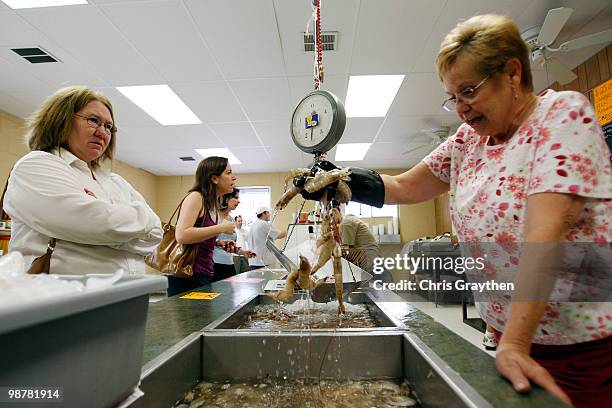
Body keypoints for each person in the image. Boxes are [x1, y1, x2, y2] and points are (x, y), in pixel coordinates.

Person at [295, 14, 611, 407]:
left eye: (469, 91)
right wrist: (342, 180)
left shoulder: (561, 116)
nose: (460, 108)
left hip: (576, 344)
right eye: (453, 96)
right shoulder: (467, 142)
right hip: (510, 336)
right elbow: (406, 186)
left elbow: (544, 237)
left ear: (513, 72)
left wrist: (515, 342)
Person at [3, 86, 162, 275]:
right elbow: (96, 223)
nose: (103, 133)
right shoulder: (36, 165)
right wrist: (138, 221)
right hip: (65, 298)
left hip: (125, 295)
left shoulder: (115, 181)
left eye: (108, 127)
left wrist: (110, 225)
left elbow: (156, 234)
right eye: (94, 121)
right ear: (60, 120)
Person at [170, 156, 237, 296]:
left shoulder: (212, 204)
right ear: (214, 179)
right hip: (187, 276)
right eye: (228, 173)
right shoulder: (196, 197)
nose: (234, 178)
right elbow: (182, 235)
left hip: (204, 273)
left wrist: (218, 243)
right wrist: (222, 228)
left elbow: (199, 235)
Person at [330, 206, 385, 281]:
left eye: (330, 217)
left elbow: (347, 251)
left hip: (368, 258)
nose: (331, 221)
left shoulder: (345, 224)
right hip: (373, 257)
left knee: (373, 287)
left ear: (335, 211)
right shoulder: (348, 219)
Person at [212, 189, 254, 279]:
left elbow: (228, 246)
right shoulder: (214, 217)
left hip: (229, 264)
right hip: (215, 264)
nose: (238, 201)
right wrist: (219, 242)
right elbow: (206, 240)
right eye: (235, 198)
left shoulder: (231, 219)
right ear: (226, 199)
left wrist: (243, 252)